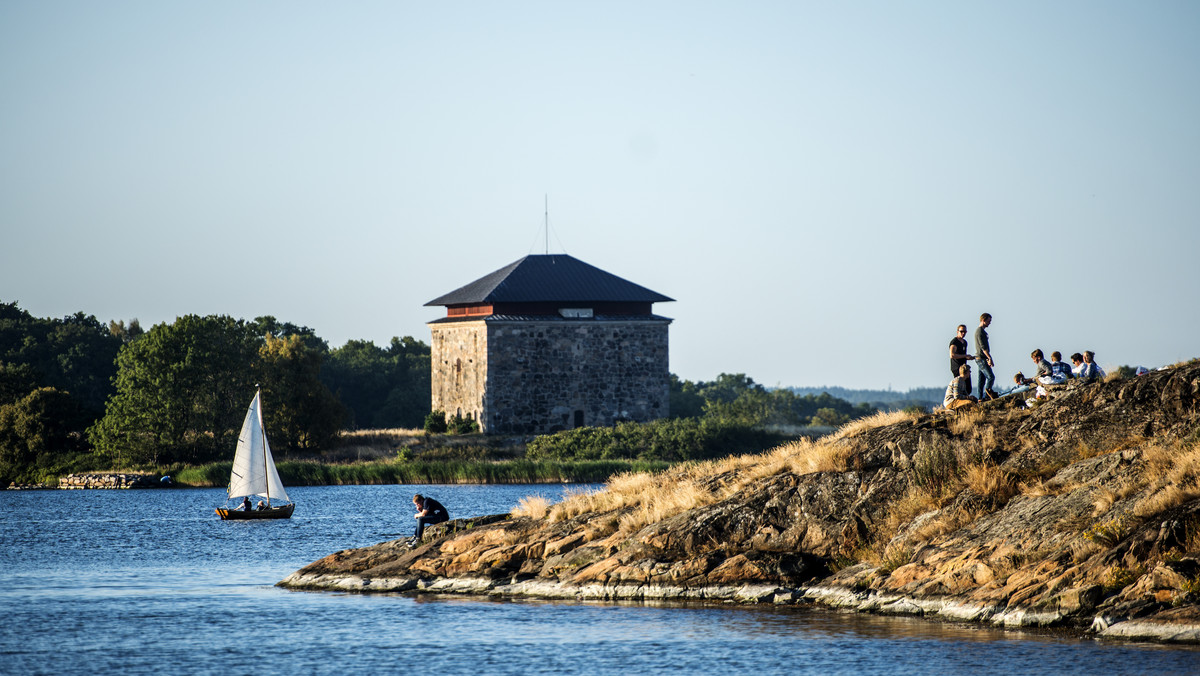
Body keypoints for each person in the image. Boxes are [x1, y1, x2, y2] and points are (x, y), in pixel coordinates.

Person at [974, 313, 997, 400]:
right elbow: (983, 347)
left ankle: (980, 398)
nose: (989, 323)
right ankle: (986, 396)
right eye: (988, 321)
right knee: (991, 377)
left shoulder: (981, 331)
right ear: (983, 320)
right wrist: (989, 358)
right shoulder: (980, 332)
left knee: (981, 380)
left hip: (980, 358)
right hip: (981, 358)